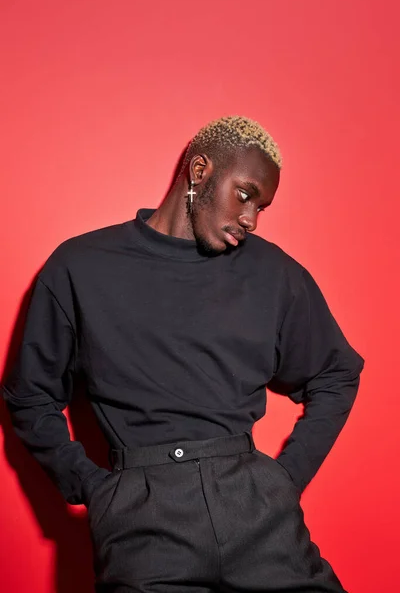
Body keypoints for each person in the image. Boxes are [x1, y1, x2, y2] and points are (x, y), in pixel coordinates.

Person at [2, 115, 365, 592]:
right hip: (143, 524)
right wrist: (95, 488)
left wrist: (283, 481)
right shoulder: (82, 266)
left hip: (256, 511)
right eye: (245, 194)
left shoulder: (273, 274)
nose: (251, 219)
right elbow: (29, 395)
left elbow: (337, 373)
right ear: (200, 171)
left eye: (262, 206)